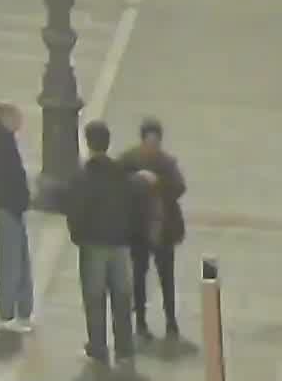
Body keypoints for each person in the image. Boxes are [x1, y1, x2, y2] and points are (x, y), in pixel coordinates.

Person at [68, 120, 141, 367]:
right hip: (120, 243)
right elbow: (133, 205)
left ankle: (98, 347)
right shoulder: (121, 175)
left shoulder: (83, 176)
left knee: (94, 298)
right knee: (122, 297)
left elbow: (76, 211)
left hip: (93, 244)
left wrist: (78, 236)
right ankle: (124, 349)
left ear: (88, 143)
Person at [125, 118, 190, 344]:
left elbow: (179, 187)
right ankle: (140, 322)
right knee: (139, 276)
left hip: (163, 227)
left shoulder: (167, 163)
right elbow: (117, 184)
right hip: (138, 228)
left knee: (166, 278)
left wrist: (158, 183)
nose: (152, 146)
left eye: (156, 141)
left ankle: (171, 321)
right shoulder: (129, 160)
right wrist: (137, 180)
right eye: (149, 141)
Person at [0, 102, 33, 334]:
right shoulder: (1, 143)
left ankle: (20, 311)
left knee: (17, 258)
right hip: (8, 207)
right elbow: (9, 178)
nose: (20, 122)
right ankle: (9, 313)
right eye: (17, 117)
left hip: (8, 206)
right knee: (11, 261)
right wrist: (21, 200)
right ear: (6, 119)